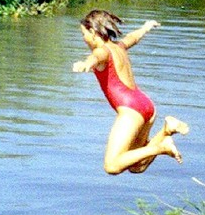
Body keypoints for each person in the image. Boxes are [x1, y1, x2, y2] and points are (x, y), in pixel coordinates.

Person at [72, 9, 189, 175]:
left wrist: (85, 64)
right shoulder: (119, 47)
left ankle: (162, 147)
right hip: (146, 105)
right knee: (137, 166)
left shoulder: (102, 51)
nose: (83, 39)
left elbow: (96, 57)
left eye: (83, 33)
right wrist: (145, 27)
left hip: (131, 109)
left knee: (112, 166)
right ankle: (166, 131)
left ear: (92, 31)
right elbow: (132, 38)